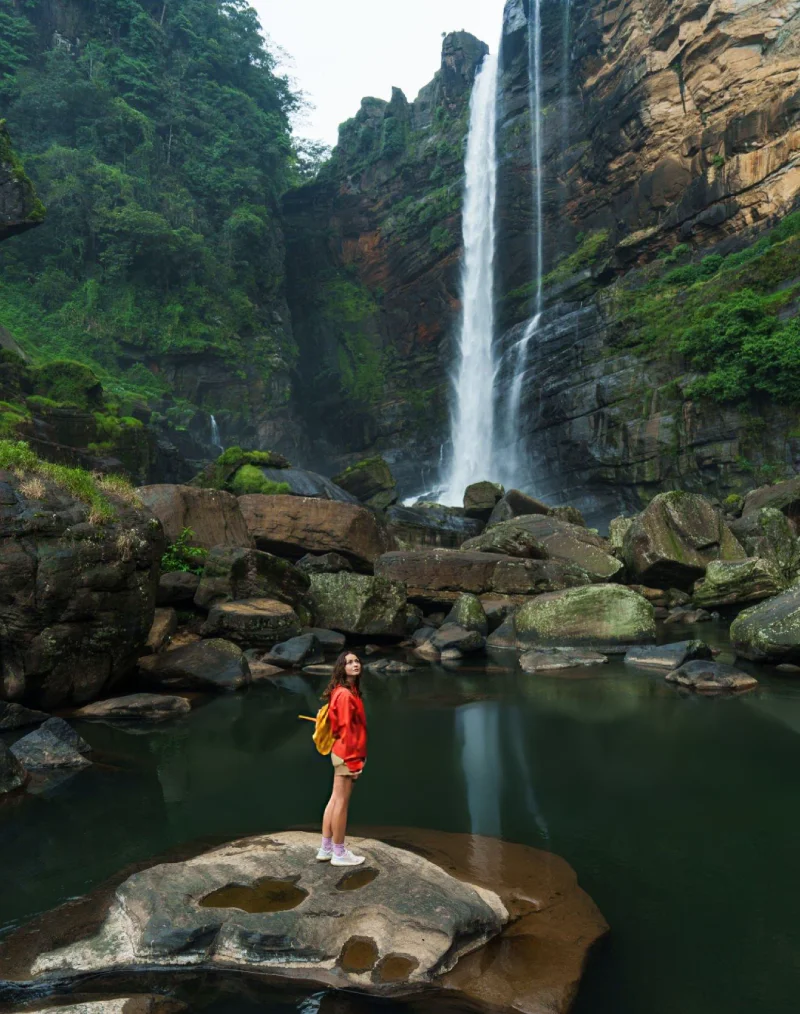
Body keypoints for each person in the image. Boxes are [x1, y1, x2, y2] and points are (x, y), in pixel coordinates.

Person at [317, 651, 367, 867]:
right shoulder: (345, 695)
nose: (355, 664)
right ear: (341, 667)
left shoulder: (343, 690)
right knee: (342, 803)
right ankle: (339, 852)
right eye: (349, 662)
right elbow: (346, 730)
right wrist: (355, 761)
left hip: (340, 752)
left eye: (356, 661)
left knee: (334, 800)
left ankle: (326, 848)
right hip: (347, 753)